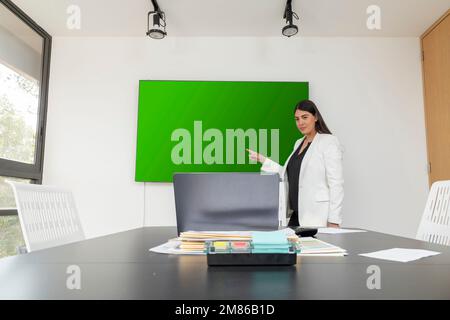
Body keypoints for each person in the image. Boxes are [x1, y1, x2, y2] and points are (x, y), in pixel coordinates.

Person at [247, 99, 344, 228]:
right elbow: (287, 174)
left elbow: (336, 184)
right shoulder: (298, 143)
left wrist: (334, 220)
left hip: (317, 215)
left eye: (305, 117)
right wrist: (264, 160)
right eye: (297, 119)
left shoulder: (328, 142)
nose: (300, 123)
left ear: (315, 117)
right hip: (296, 215)